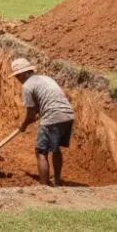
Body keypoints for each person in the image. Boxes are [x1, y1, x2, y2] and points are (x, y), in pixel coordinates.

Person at [11, 58, 75, 187]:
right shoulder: (46, 79)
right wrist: (36, 116)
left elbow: (31, 112)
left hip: (52, 116)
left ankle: (44, 188)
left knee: (41, 152)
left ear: (24, 73)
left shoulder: (27, 86)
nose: (17, 79)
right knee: (55, 149)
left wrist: (24, 124)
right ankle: (57, 180)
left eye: (17, 76)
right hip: (67, 114)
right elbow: (41, 107)